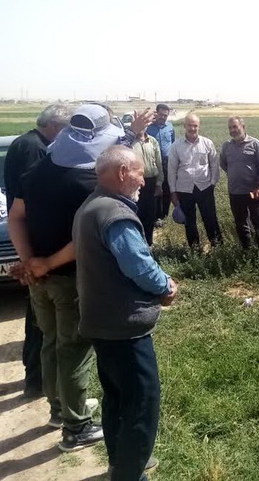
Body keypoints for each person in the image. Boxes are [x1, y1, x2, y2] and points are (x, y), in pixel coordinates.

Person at [7, 104, 122, 451]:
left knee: (51, 341)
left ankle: (59, 409)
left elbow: (16, 217)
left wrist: (29, 262)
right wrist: (45, 263)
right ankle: (77, 427)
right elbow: (82, 237)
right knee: (73, 349)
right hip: (71, 278)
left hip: (39, 280)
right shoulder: (88, 181)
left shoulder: (38, 170)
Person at [73, 146, 176, 481]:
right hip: (124, 328)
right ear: (121, 173)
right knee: (141, 406)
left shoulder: (90, 206)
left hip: (100, 323)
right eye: (139, 173)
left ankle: (120, 463)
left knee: (117, 399)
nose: (143, 182)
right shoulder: (114, 214)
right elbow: (139, 266)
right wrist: (165, 286)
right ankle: (130, 474)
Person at [3, 103, 71, 397]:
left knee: (39, 318)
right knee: (41, 322)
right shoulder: (35, 148)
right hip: (34, 243)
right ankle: (37, 381)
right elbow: (34, 199)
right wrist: (30, 256)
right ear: (55, 126)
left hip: (28, 240)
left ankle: (38, 379)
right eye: (66, 130)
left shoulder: (24, 142)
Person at [168, 113, 223, 248]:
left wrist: (212, 183)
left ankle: (218, 247)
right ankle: (195, 249)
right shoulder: (176, 146)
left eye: (195, 126)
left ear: (199, 126)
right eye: (189, 125)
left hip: (205, 187)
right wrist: (173, 192)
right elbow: (172, 170)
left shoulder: (207, 143)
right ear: (184, 126)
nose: (192, 128)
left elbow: (214, 165)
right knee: (189, 221)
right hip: (184, 189)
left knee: (210, 218)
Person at [220, 116, 259, 249]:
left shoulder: (255, 144)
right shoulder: (226, 146)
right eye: (230, 128)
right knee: (240, 223)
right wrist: (235, 174)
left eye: (235, 127)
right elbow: (223, 164)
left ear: (243, 127)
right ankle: (247, 250)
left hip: (254, 191)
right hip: (235, 191)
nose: (232, 130)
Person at [131, 131, 163, 245]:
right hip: (135, 184)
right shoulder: (129, 142)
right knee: (137, 213)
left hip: (151, 182)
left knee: (150, 214)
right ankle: (138, 243)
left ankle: (149, 243)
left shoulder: (152, 141)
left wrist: (159, 184)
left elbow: (159, 163)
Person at [146, 104, 176, 225]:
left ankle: (164, 215)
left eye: (165, 115)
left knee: (167, 188)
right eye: (161, 115)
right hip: (153, 162)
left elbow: (173, 143)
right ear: (156, 113)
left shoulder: (170, 127)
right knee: (156, 188)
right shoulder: (149, 128)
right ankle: (156, 215)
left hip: (167, 162)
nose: (163, 117)